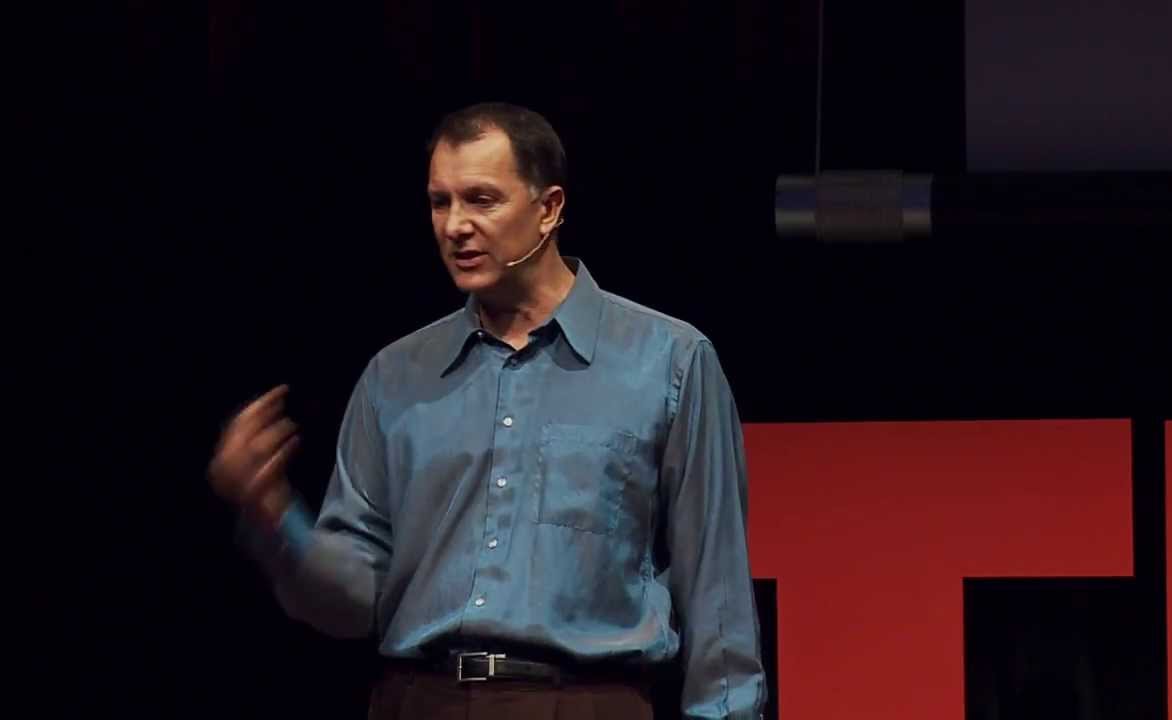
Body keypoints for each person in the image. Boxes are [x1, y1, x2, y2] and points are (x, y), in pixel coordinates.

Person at [209, 102, 767, 719]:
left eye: (481, 200)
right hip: (418, 702)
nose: (455, 226)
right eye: (439, 202)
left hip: (584, 701)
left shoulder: (668, 362)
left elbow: (716, 593)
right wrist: (274, 515)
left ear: (549, 209)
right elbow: (354, 601)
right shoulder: (395, 376)